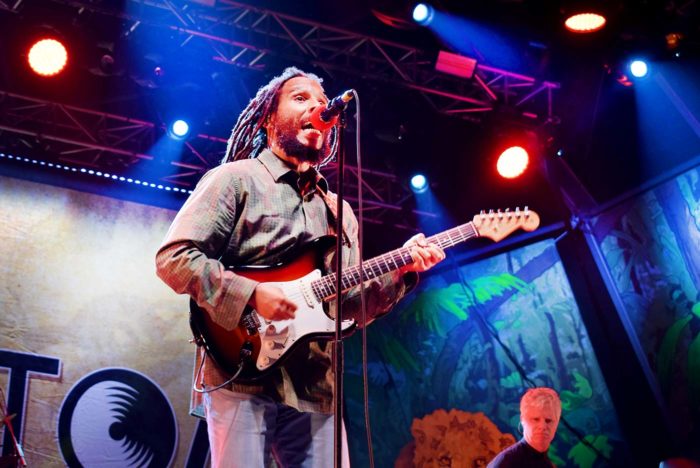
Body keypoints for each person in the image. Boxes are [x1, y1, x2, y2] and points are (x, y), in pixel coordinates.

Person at [155, 67, 445, 467]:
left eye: (322, 101)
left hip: (315, 383)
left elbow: (348, 308)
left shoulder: (339, 212)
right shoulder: (235, 180)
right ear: (268, 118)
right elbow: (174, 258)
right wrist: (251, 294)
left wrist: (400, 273)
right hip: (240, 371)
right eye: (300, 98)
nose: (318, 106)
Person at [488, 387, 561, 468]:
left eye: (548, 420)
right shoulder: (504, 463)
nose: (542, 426)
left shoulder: (548, 464)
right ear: (522, 419)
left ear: (557, 423)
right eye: (536, 419)